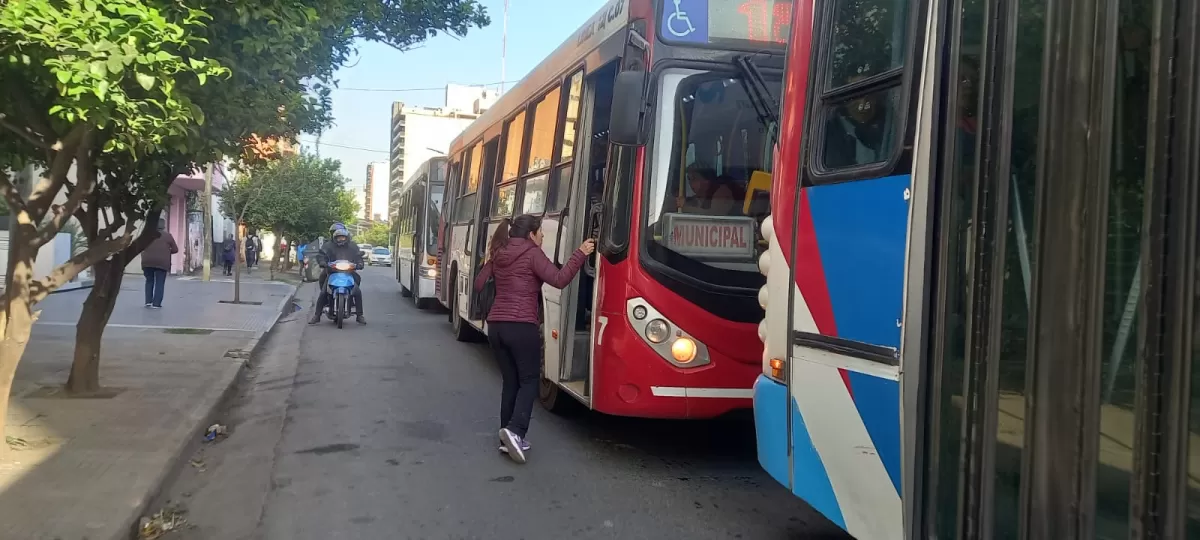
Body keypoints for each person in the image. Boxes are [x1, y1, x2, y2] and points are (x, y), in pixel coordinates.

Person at [474, 214, 595, 463]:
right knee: (529, 381)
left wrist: (489, 262)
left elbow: (478, 285)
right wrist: (580, 253)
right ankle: (516, 432)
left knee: (511, 382)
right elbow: (560, 280)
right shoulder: (532, 253)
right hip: (521, 326)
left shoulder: (499, 251)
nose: (542, 237)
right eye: (541, 233)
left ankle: (505, 436)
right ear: (531, 234)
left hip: (496, 326)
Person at [308, 225, 366, 324]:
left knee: (357, 291)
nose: (341, 239)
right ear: (334, 238)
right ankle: (317, 316)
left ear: (347, 238)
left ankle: (359, 315)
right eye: (338, 237)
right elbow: (321, 255)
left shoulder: (353, 246)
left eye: (343, 237)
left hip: (349, 273)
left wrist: (360, 263)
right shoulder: (328, 246)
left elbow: (358, 257)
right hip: (332, 272)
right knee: (323, 292)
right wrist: (323, 262)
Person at [141, 219, 178, 309]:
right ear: (163, 226)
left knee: (149, 281)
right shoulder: (168, 236)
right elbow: (175, 249)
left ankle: (148, 302)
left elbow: (140, 246)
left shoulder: (147, 235)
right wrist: (166, 251)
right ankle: (156, 304)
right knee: (159, 282)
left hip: (147, 261)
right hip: (162, 263)